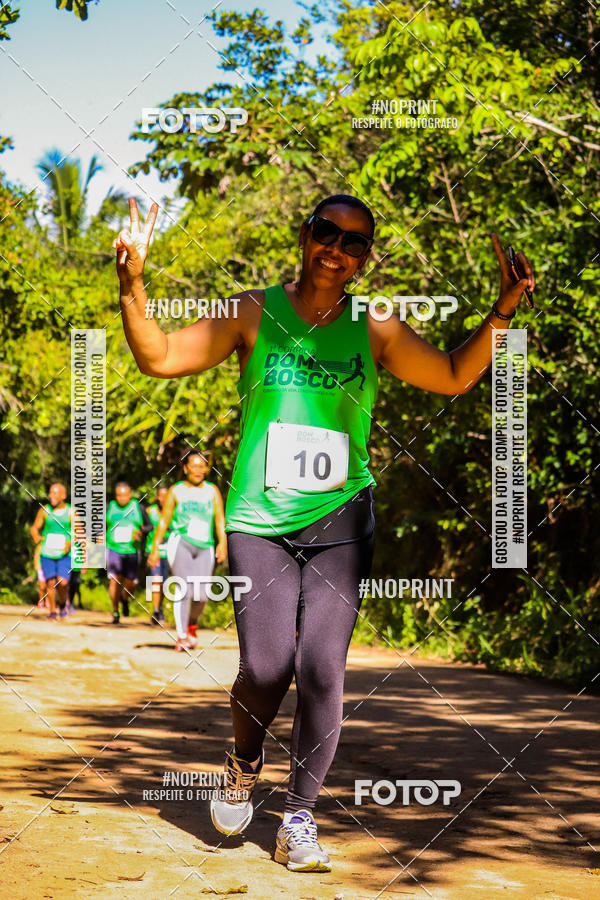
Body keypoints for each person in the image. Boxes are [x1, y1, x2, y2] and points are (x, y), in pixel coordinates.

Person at [114, 194, 535, 872]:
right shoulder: (251, 311)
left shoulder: (376, 327)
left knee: (321, 668)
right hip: (259, 519)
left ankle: (299, 817)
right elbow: (159, 357)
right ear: (304, 234)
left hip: (341, 517)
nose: (338, 249)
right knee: (266, 666)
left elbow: (456, 376)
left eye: (356, 242)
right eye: (327, 232)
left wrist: (505, 307)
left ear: (367, 257)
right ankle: (243, 760)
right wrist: (133, 285)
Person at [147, 453, 226, 651]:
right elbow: (164, 520)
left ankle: (192, 624)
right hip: (180, 542)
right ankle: (181, 636)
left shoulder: (212, 491)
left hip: (205, 545)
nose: (198, 470)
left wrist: (222, 543)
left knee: (201, 594)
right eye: (194, 466)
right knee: (183, 589)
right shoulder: (176, 491)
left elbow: (219, 519)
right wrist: (155, 547)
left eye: (202, 467)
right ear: (185, 468)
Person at [30, 483, 72, 621]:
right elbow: (35, 527)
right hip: (47, 552)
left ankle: (62, 603)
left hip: (65, 554)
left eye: (55, 493)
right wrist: (35, 535)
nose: (51, 496)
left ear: (63, 496)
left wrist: (70, 543)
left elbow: (79, 532)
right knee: (50, 582)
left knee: (63, 582)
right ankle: (53, 611)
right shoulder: (45, 510)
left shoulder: (71, 512)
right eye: (50, 493)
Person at [106, 482, 143, 624]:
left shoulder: (138, 507)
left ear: (130, 495)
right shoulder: (110, 507)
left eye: (124, 495)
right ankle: (115, 611)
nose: (121, 498)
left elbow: (149, 526)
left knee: (131, 583)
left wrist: (141, 532)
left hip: (132, 550)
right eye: (119, 495)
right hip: (113, 548)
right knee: (114, 580)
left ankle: (124, 599)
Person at [144, 486, 171, 624]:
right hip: (153, 551)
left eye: (167, 496)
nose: (164, 499)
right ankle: (155, 611)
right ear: (157, 498)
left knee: (165, 583)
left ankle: (160, 608)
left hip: (170, 552)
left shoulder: (174, 513)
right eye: (161, 496)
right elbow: (142, 526)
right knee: (156, 579)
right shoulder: (150, 511)